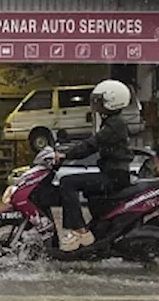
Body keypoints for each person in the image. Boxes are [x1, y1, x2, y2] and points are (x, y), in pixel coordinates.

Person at [53, 79, 135, 252]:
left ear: (112, 101)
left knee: (68, 182)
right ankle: (96, 230)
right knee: (88, 191)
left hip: (114, 177)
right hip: (113, 174)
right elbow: (90, 144)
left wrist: (65, 156)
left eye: (99, 100)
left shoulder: (115, 125)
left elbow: (91, 145)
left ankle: (79, 231)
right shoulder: (112, 122)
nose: (96, 104)